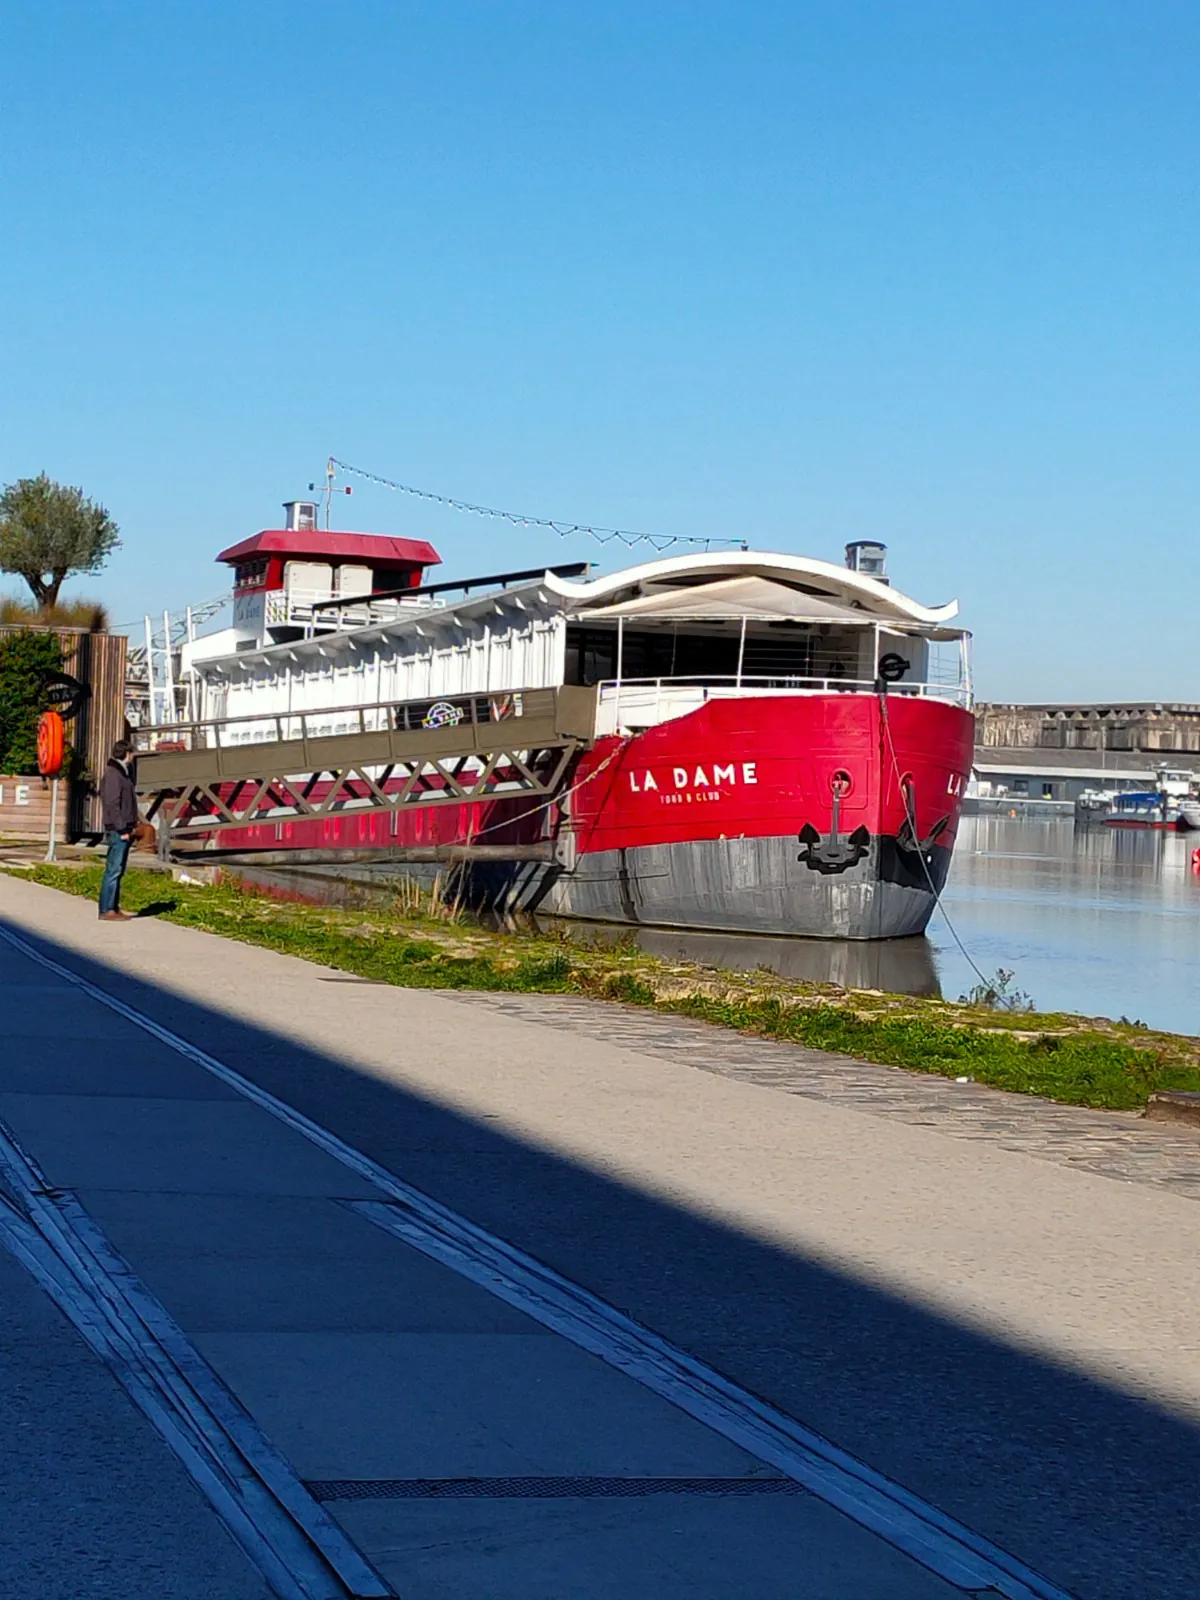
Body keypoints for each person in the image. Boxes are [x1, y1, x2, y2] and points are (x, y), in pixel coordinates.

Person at [98, 739, 139, 921]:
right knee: (114, 869)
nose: (133, 757)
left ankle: (113, 906)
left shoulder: (122, 773)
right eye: (132, 753)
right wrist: (122, 827)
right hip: (118, 828)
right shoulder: (114, 774)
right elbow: (112, 804)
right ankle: (107, 909)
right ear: (127, 753)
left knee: (118, 869)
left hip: (123, 826)